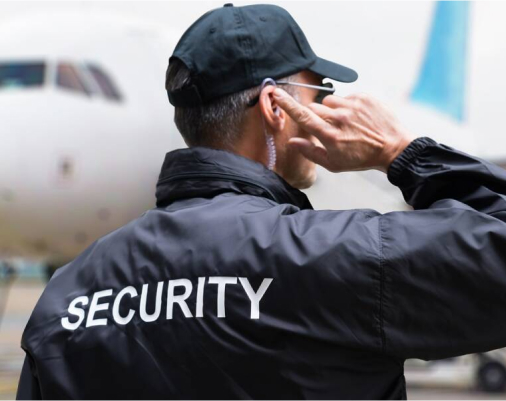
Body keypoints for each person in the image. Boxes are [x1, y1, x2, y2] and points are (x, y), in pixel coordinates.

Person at [16, 3, 506, 400]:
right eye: (319, 92)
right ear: (276, 108)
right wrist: (401, 153)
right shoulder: (339, 256)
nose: (326, 107)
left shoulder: (66, 296)